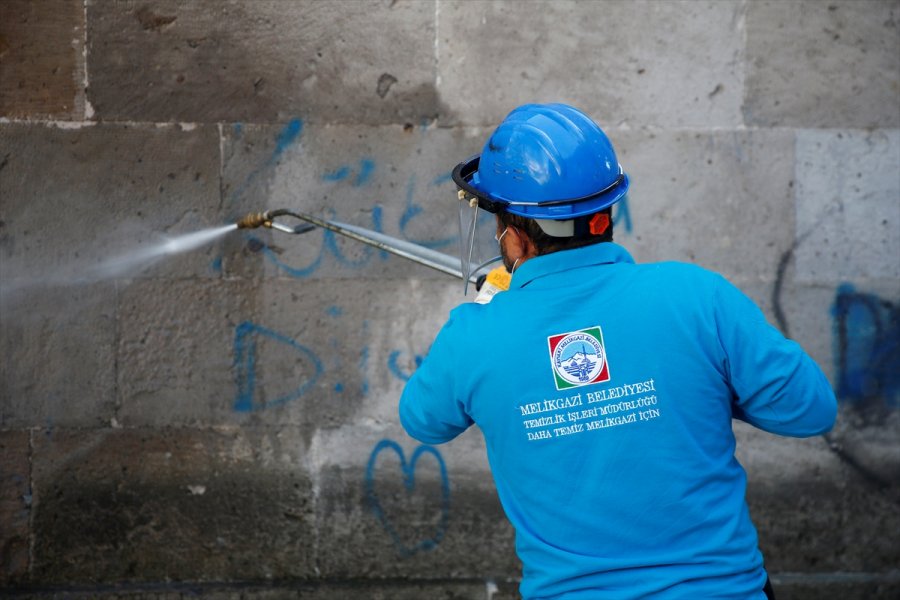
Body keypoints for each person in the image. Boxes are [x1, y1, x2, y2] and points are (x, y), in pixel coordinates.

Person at [398, 103, 837, 599]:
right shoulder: (697, 296)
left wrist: (489, 308)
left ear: (514, 240)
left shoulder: (474, 335)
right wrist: (703, 383)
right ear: (605, 214)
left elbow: (422, 421)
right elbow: (811, 410)